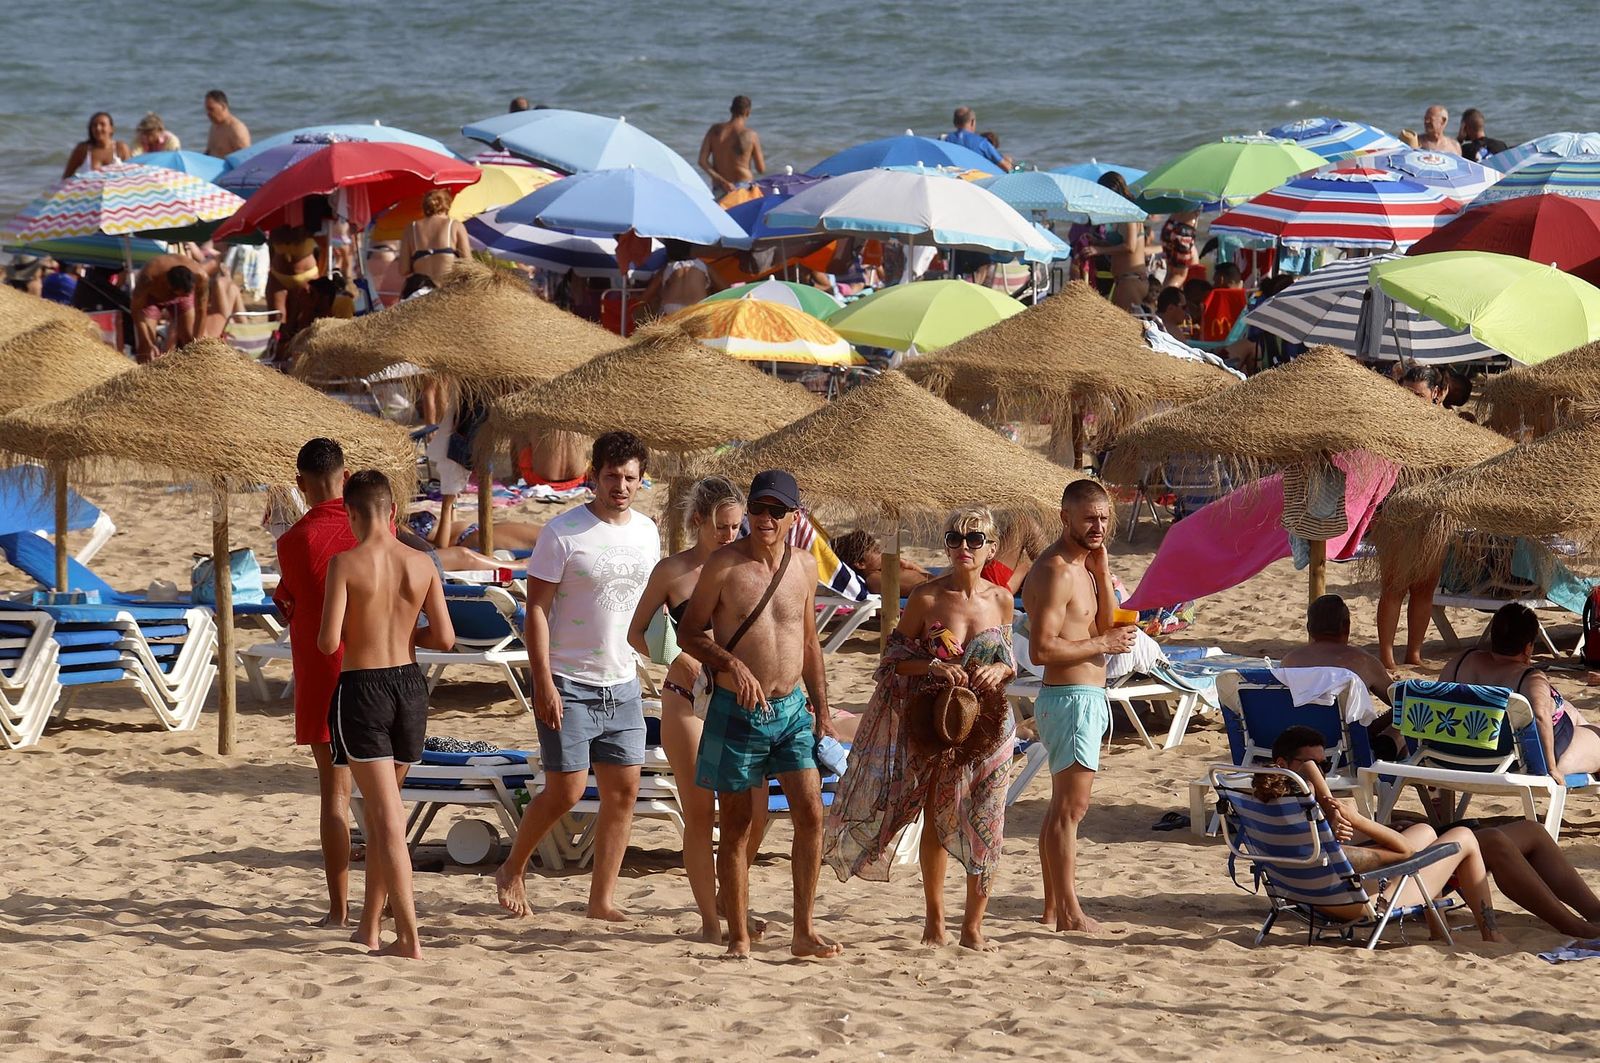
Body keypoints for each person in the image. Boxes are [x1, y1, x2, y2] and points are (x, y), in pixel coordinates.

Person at [825, 506, 1016, 951]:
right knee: (938, 815)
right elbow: (891, 659)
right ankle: (935, 919)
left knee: (986, 820)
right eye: (955, 539)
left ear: (991, 548)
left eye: (974, 540)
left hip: (988, 725)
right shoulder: (927, 598)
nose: (963, 547)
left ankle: (973, 925)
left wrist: (1000, 672)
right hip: (938, 724)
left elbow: (1007, 659)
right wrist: (932, 664)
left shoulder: (1001, 599)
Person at [495, 432, 660, 922]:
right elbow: (537, 611)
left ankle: (601, 899)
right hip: (568, 678)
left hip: (623, 680)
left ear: (640, 479)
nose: (621, 486)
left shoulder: (648, 531)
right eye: (612, 476)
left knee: (623, 792)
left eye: (630, 478)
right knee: (566, 790)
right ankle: (512, 867)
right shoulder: (562, 532)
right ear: (593, 476)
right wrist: (541, 680)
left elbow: (652, 607)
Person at [677, 469, 841, 960]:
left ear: (795, 517)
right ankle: (739, 938)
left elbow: (810, 642)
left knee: (811, 812)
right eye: (757, 509)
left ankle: (803, 931)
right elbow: (689, 633)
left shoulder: (805, 568)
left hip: (791, 709)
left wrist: (824, 712)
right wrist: (732, 666)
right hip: (737, 708)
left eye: (775, 511)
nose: (764, 519)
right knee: (739, 823)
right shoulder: (724, 566)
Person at [317, 470, 454, 959]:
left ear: (352, 514)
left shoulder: (345, 563)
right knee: (383, 814)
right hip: (410, 687)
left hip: (363, 689)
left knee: (388, 820)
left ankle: (410, 937)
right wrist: (405, 636)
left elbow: (328, 641)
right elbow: (445, 638)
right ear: (393, 511)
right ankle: (370, 927)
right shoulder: (421, 563)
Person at [625, 476, 767, 942]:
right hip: (687, 699)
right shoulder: (673, 571)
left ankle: (731, 896)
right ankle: (711, 922)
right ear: (698, 522)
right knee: (701, 813)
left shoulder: (748, 565)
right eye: (722, 528)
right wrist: (676, 656)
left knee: (756, 811)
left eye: (735, 527)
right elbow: (636, 631)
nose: (730, 536)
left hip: (736, 699)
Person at [1258, 725, 1505, 943]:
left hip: (1307, 896)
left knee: (1424, 831)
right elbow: (1404, 852)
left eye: (1324, 764)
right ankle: (1491, 934)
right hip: (1354, 904)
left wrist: (1370, 832)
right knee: (1464, 837)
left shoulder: (1269, 809)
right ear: (1282, 765)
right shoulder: (1311, 812)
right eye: (1313, 765)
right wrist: (1358, 820)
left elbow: (1337, 853)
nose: (1320, 771)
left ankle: (1439, 931)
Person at [1021, 479, 1137, 933]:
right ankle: (1069, 912)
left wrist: (1103, 568)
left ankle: (1054, 908)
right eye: (1089, 517)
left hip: (1081, 696)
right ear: (1065, 517)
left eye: (1105, 518)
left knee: (1060, 810)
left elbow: (1107, 625)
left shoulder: (1085, 567)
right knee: (1071, 811)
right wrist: (1102, 642)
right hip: (1070, 697)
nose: (1099, 526)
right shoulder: (1055, 570)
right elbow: (1041, 650)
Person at [271, 439, 359, 927]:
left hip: (323, 673)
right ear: (345, 478)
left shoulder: (292, 542)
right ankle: (383, 905)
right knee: (384, 794)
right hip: (377, 667)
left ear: (300, 484)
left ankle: (338, 909)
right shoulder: (374, 526)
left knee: (335, 795)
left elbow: (289, 602)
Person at [1441, 603, 1600, 779]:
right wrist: (1551, 768)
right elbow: (1540, 716)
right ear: (1527, 647)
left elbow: (1440, 699)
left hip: (1458, 751)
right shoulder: (1529, 678)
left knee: (1571, 711)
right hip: (1517, 758)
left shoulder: (1460, 662)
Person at [1376, 366, 1447, 670]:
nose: (1411, 399)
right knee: (1394, 586)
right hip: (1396, 513)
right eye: (1405, 392)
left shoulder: (1446, 425)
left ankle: (1414, 654)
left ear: (1435, 394)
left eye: (1417, 394)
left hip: (1434, 514)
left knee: (1425, 588)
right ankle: (1387, 657)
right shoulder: (1391, 425)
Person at [1281, 594, 1402, 758]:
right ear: (1347, 626)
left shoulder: (1290, 661)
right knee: (1408, 717)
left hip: (1299, 749)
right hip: (1350, 752)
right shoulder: (1362, 661)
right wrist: (1376, 725)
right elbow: (1401, 702)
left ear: (1309, 627)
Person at [1474, 819, 1600, 938]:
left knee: (1532, 830)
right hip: (1454, 853)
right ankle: (1576, 927)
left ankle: (1596, 912)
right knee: (1494, 842)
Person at [130, 254, 208, 362]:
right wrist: (146, 340)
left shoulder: (201, 277)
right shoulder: (148, 277)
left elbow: (201, 311)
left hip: (182, 295)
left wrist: (197, 343)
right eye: (177, 294)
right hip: (151, 298)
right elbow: (136, 310)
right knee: (146, 349)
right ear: (168, 285)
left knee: (191, 340)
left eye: (185, 294)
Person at [1089, 173, 1146, 310]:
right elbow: (1121, 245)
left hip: (1131, 280)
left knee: (1126, 329)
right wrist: (1100, 243)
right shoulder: (1121, 215)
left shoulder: (1129, 215)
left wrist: (1099, 250)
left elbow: (1130, 246)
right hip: (1124, 280)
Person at [397, 189, 472, 288]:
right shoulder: (455, 225)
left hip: (420, 289)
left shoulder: (411, 228)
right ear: (447, 205)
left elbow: (403, 269)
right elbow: (469, 265)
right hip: (447, 289)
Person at [830, 528, 931, 596]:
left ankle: (889, 518)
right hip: (936, 592)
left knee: (890, 527)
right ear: (861, 564)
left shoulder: (881, 571)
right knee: (889, 529)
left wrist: (912, 566)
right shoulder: (874, 579)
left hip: (937, 586)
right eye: (876, 551)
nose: (882, 552)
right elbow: (922, 588)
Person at [698, 96, 765, 196]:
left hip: (720, 187)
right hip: (743, 188)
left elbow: (702, 161)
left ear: (731, 110)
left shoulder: (714, 130)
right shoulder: (751, 135)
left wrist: (723, 182)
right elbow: (761, 169)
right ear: (748, 112)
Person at [639, 240, 718, 316]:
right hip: (697, 307)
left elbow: (645, 297)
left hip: (672, 308)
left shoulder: (667, 268)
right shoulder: (703, 266)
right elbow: (726, 289)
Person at [943, 106, 1011, 172]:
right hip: (976, 180)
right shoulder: (982, 143)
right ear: (972, 122)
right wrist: (1008, 162)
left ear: (954, 122)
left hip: (953, 179)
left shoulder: (943, 141)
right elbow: (1007, 168)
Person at [63, 112, 130, 178]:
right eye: (94, 125)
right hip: (89, 188)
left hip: (116, 188)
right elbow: (66, 177)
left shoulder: (121, 148)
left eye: (102, 124)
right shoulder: (83, 149)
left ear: (111, 129)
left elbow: (131, 174)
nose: (98, 128)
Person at [203, 90, 250, 157]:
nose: (208, 113)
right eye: (207, 110)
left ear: (223, 106)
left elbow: (246, 158)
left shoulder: (236, 129)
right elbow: (209, 152)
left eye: (211, 109)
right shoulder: (214, 126)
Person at [1160, 209, 1200, 287]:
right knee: (1179, 275)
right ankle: (1168, 298)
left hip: (1170, 224)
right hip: (1185, 229)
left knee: (1170, 273)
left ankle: (1161, 297)